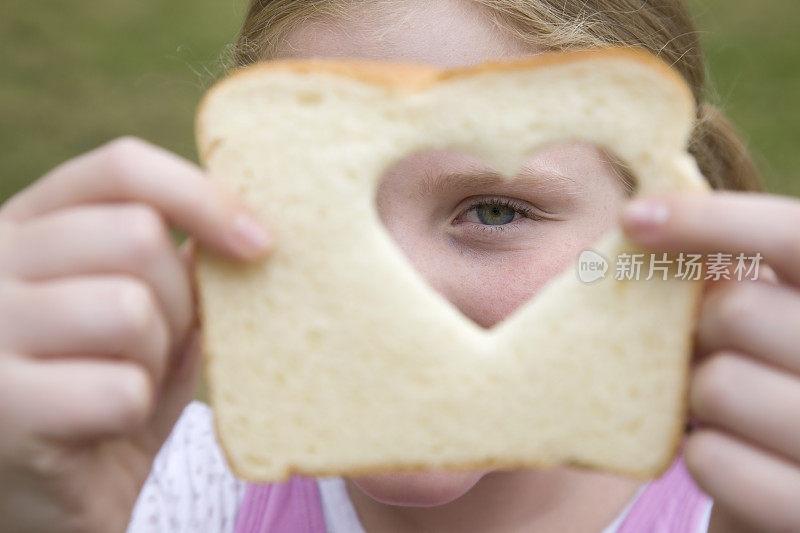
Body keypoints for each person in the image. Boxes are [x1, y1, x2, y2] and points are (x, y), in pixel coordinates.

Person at [1, 0, 798, 531]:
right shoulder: (163, 494)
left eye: (495, 210)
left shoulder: (750, 500)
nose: (390, 296)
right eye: (317, 207)